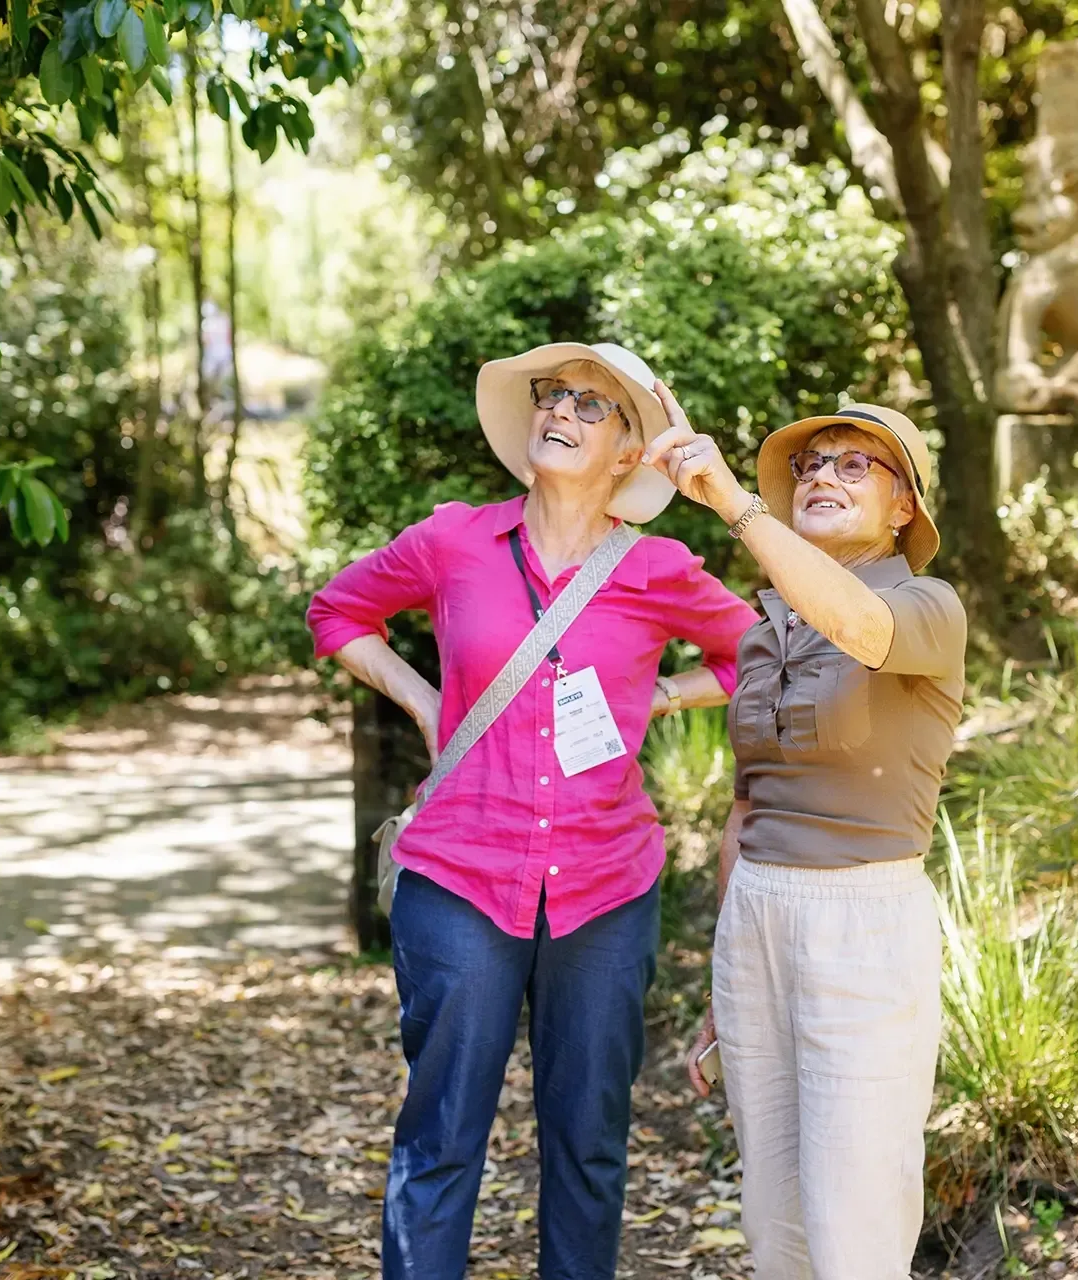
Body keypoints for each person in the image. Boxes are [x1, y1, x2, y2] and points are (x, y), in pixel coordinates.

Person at [306, 342, 757, 1280]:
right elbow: (338, 613)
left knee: (589, 1146)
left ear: (631, 453)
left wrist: (661, 698)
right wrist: (430, 704)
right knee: (441, 1137)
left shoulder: (659, 568)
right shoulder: (454, 540)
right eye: (555, 396)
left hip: (606, 889)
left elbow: (757, 654)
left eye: (594, 408)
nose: (562, 412)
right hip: (459, 878)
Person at [642, 391, 966, 1280]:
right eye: (811, 465)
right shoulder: (766, 629)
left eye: (854, 463)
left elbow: (860, 627)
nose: (822, 474)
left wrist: (735, 505)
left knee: (855, 1215)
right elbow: (747, 806)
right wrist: (721, 979)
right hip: (757, 920)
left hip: (864, 921)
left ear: (905, 508)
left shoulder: (929, 605)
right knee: (773, 1215)